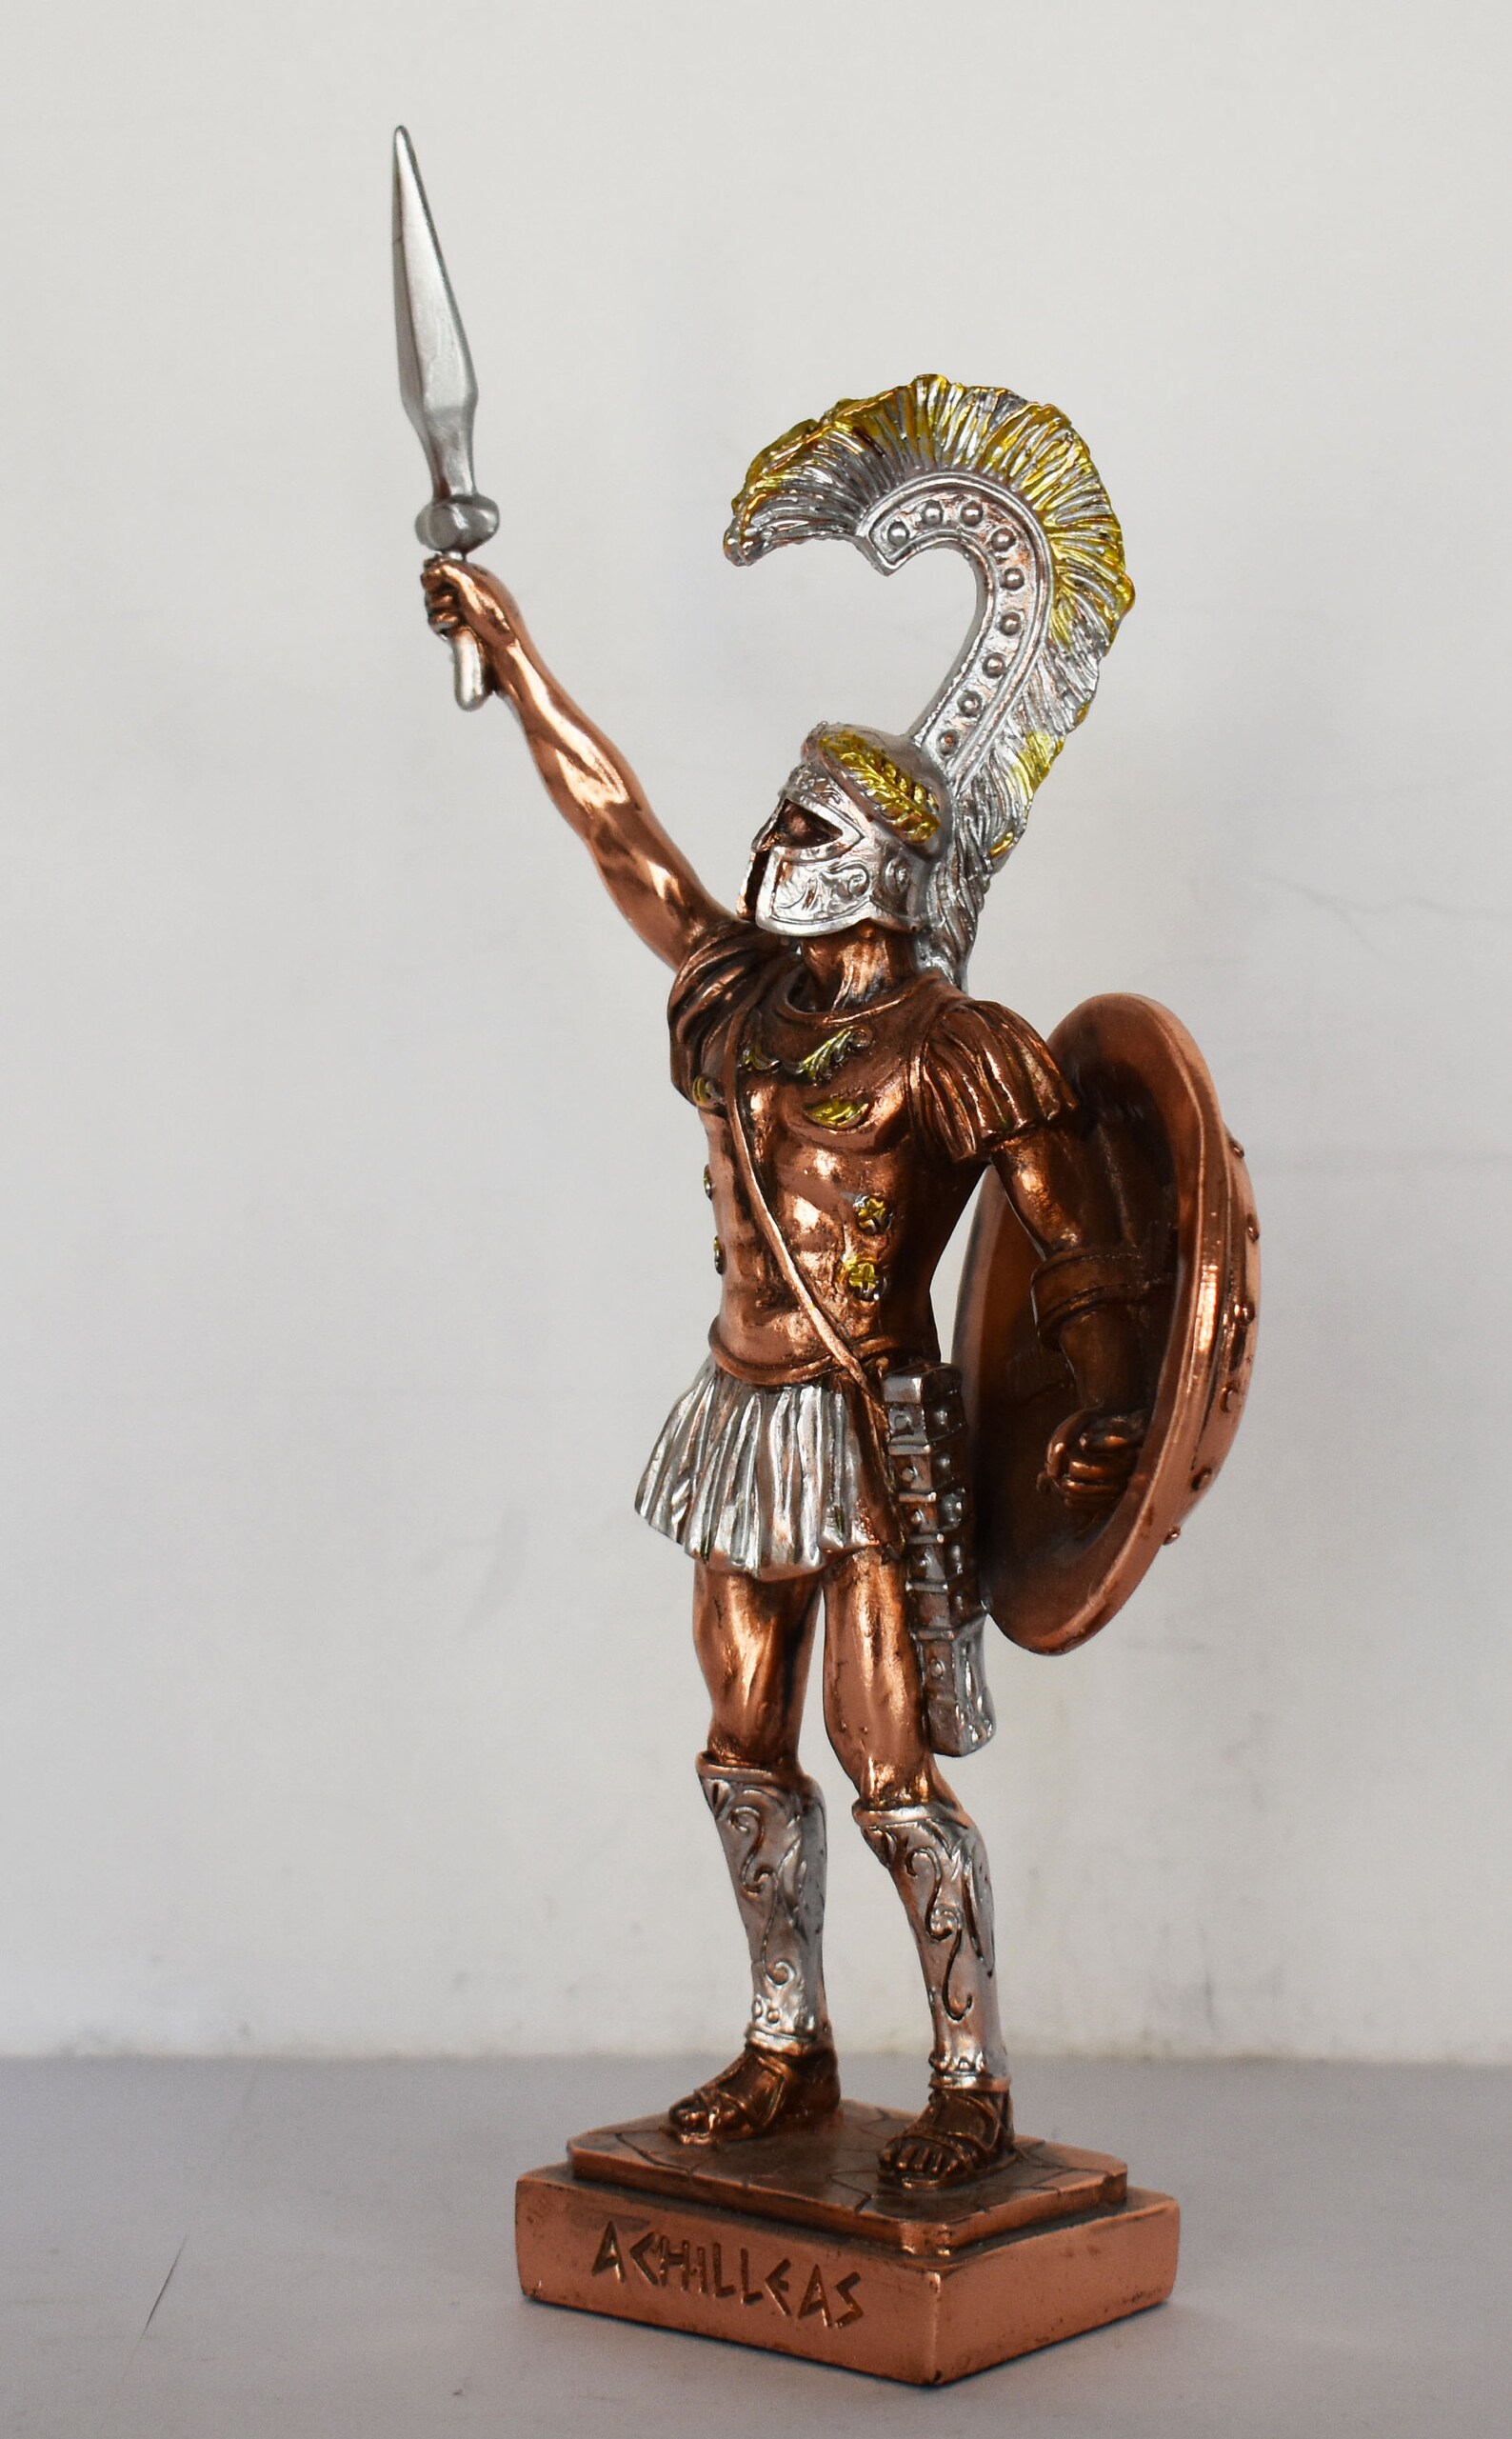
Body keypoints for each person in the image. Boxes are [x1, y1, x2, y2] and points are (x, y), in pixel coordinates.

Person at [420, 378, 1146, 2188]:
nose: (769, 854)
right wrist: (514, 654)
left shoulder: (960, 1045)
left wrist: (1107, 1405)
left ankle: (968, 2074)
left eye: (809, 832)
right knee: (741, 1750)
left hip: (873, 1431)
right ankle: (784, 2042)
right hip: (740, 1416)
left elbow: (1079, 1250)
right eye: (778, 820)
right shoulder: (738, 998)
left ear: (887, 869)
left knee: (888, 1772)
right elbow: (620, 831)